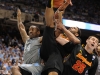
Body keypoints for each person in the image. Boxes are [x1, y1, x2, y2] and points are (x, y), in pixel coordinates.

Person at [40, 0, 80, 75]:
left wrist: (63, 29)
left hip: (57, 53)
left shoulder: (76, 40)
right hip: (48, 46)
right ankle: (50, 2)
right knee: (50, 25)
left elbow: (77, 41)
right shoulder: (63, 31)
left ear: (77, 34)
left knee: (54, 68)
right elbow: (58, 18)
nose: (72, 27)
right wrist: (62, 8)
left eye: (74, 28)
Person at [11, 9, 43, 75]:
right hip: (27, 66)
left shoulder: (40, 39)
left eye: (32, 30)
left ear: (38, 32)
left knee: (14, 68)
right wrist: (19, 17)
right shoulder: (27, 40)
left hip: (36, 66)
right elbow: (21, 28)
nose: (30, 31)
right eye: (29, 30)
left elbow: (50, 35)